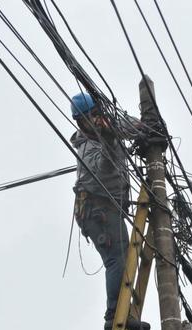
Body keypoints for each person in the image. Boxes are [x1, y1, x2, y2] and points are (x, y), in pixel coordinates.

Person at [70, 92, 151, 330]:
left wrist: (145, 127)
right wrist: (107, 139)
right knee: (116, 257)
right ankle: (114, 318)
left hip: (107, 207)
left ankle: (125, 315)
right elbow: (103, 168)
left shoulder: (108, 124)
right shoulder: (87, 148)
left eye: (97, 114)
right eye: (90, 117)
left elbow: (126, 125)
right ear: (81, 122)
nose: (96, 120)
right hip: (96, 209)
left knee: (125, 256)